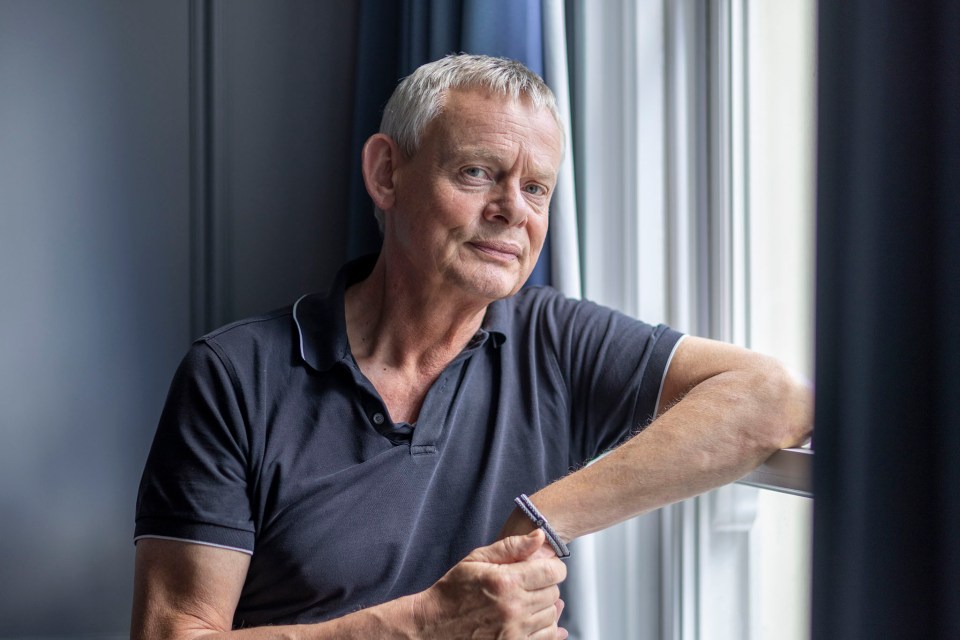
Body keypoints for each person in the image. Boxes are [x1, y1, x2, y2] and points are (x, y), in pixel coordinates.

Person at [131, 54, 812, 639]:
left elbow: (771, 398)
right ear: (387, 173)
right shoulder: (232, 375)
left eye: (537, 188)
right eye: (479, 173)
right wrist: (424, 625)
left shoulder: (556, 341)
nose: (514, 208)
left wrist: (542, 519)